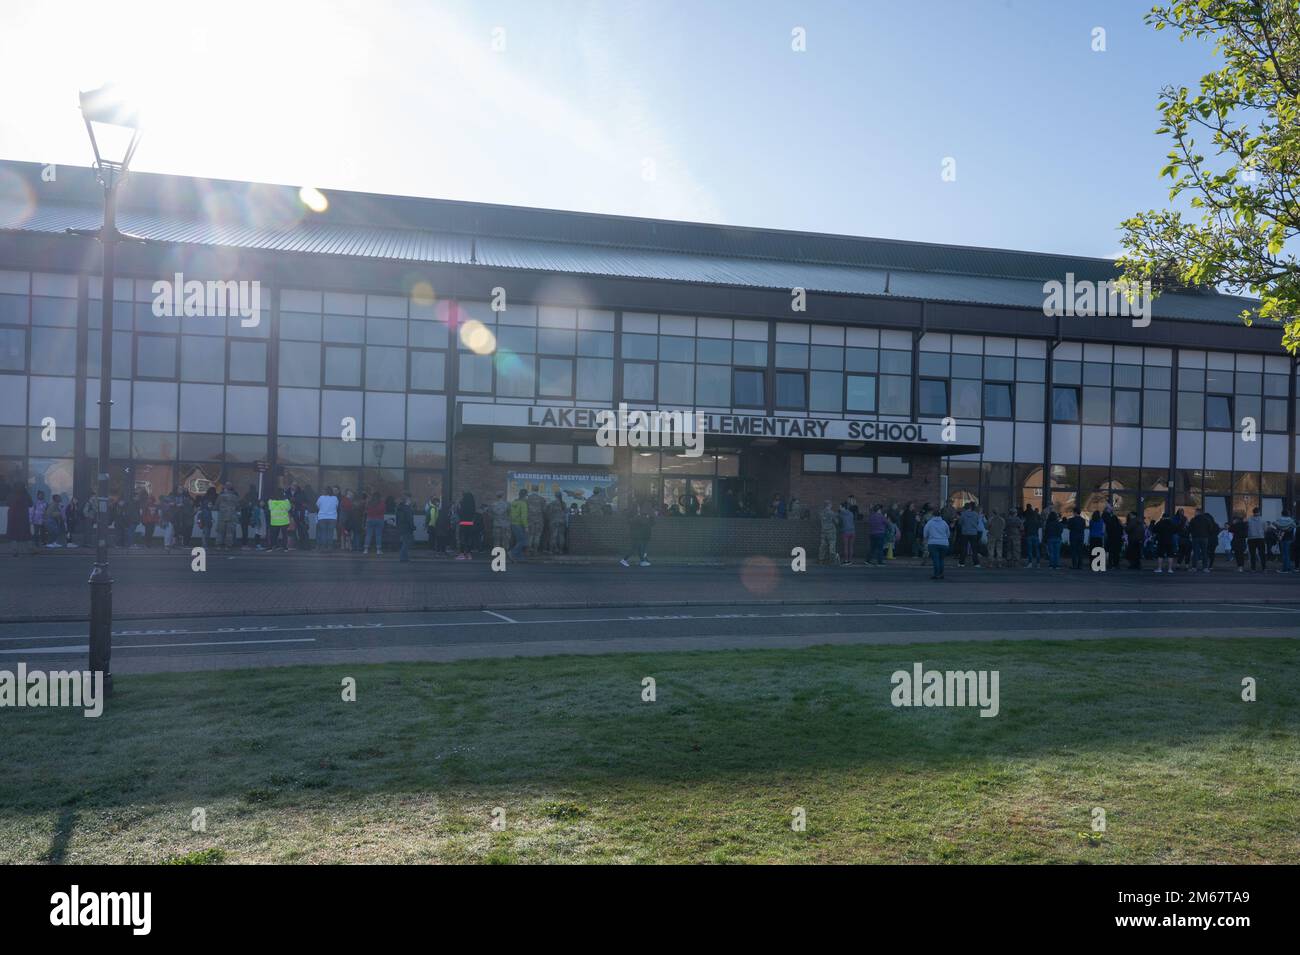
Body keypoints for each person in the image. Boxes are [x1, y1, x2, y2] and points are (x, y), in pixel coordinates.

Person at [619, 499, 654, 567]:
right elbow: (644, 523)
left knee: (638, 549)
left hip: (638, 535)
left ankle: (642, 561)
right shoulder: (638, 517)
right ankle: (624, 560)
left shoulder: (638, 517)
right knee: (635, 549)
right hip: (636, 535)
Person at [923, 507, 950, 580]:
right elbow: (948, 533)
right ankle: (941, 574)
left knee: (936, 559)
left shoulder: (930, 523)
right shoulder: (944, 523)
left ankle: (936, 574)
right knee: (941, 559)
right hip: (944, 543)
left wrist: (927, 538)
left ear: (933, 515)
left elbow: (925, 533)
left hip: (933, 543)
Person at [1188, 507, 1216, 573]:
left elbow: (1190, 528)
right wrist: (1207, 534)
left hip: (1195, 538)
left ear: (1198, 512)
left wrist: (1192, 534)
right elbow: (1211, 528)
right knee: (1204, 553)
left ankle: (1194, 567)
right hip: (1204, 538)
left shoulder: (1193, 519)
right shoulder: (1206, 519)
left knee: (1195, 553)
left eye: (1195, 512)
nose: (1194, 513)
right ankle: (1205, 568)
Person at [7, 484, 32, 556]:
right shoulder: (26, 494)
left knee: (14, 534)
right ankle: (28, 550)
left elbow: (7, 503)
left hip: (13, 516)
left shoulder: (11, 494)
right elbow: (31, 504)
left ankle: (14, 550)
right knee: (25, 533)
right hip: (23, 516)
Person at [956, 502, 981, 568]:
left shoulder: (963, 514)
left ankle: (961, 563)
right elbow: (977, 522)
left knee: (964, 548)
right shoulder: (976, 514)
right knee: (974, 549)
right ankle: (976, 563)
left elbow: (960, 523)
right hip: (973, 533)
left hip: (965, 532)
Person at [315, 486, 339, 552]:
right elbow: (336, 506)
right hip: (332, 517)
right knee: (330, 533)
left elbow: (317, 506)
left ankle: (323, 546)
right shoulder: (335, 498)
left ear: (325, 491)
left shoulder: (321, 497)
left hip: (322, 517)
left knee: (323, 532)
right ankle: (329, 546)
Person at [456, 490, 477, 560]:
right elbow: (474, 514)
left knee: (462, 539)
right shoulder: (472, 505)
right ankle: (469, 554)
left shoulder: (461, 503)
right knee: (469, 540)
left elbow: (459, 512)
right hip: (470, 524)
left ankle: (462, 554)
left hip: (462, 523)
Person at [508, 488, 529, 561]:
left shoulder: (513, 503)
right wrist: (526, 526)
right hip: (519, 524)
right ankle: (512, 553)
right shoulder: (523, 504)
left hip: (513, 523)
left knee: (519, 540)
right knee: (523, 541)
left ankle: (519, 556)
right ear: (525, 496)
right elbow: (523, 516)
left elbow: (509, 513)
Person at [1246, 507, 1268, 571]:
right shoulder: (1263, 520)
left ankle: (1253, 568)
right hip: (1260, 538)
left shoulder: (1248, 520)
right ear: (1259, 512)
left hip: (1251, 538)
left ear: (1253, 512)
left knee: (1252, 554)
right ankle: (1264, 568)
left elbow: (1246, 528)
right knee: (1262, 554)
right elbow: (1265, 530)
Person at [396, 492, 415, 562]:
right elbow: (409, 519)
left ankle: (404, 557)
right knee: (407, 543)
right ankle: (403, 557)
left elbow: (398, 519)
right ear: (407, 500)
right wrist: (413, 527)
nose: (411, 501)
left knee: (405, 542)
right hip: (407, 528)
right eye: (410, 499)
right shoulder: (407, 508)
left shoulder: (400, 508)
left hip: (402, 527)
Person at [1276, 508, 1296, 573]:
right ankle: (1288, 568)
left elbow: (1277, 526)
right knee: (1288, 554)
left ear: (1282, 514)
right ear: (1288, 514)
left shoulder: (1279, 520)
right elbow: (1294, 527)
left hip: (1282, 538)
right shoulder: (1291, 520)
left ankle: (1285, 569)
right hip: (1289, 538)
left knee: (1284, 554)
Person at [818, 500, 838, 565]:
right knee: (832, 546)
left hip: (823, 531)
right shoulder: (832, 513)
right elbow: (837, 522)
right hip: (831, 531)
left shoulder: (821, 513)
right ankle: (832, 561)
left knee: (823, 545)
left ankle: (821, 560)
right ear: (829, 505)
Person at [838, 501, 856, 566]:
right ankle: (850, 560)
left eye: (840, 507)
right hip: (852, 531)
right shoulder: (851, 513)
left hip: (845, 531)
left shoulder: (841, 514)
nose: (839, 508)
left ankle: (846, 560)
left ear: (843, 507)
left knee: (845, 546)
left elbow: (839, 523)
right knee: (851, 546)